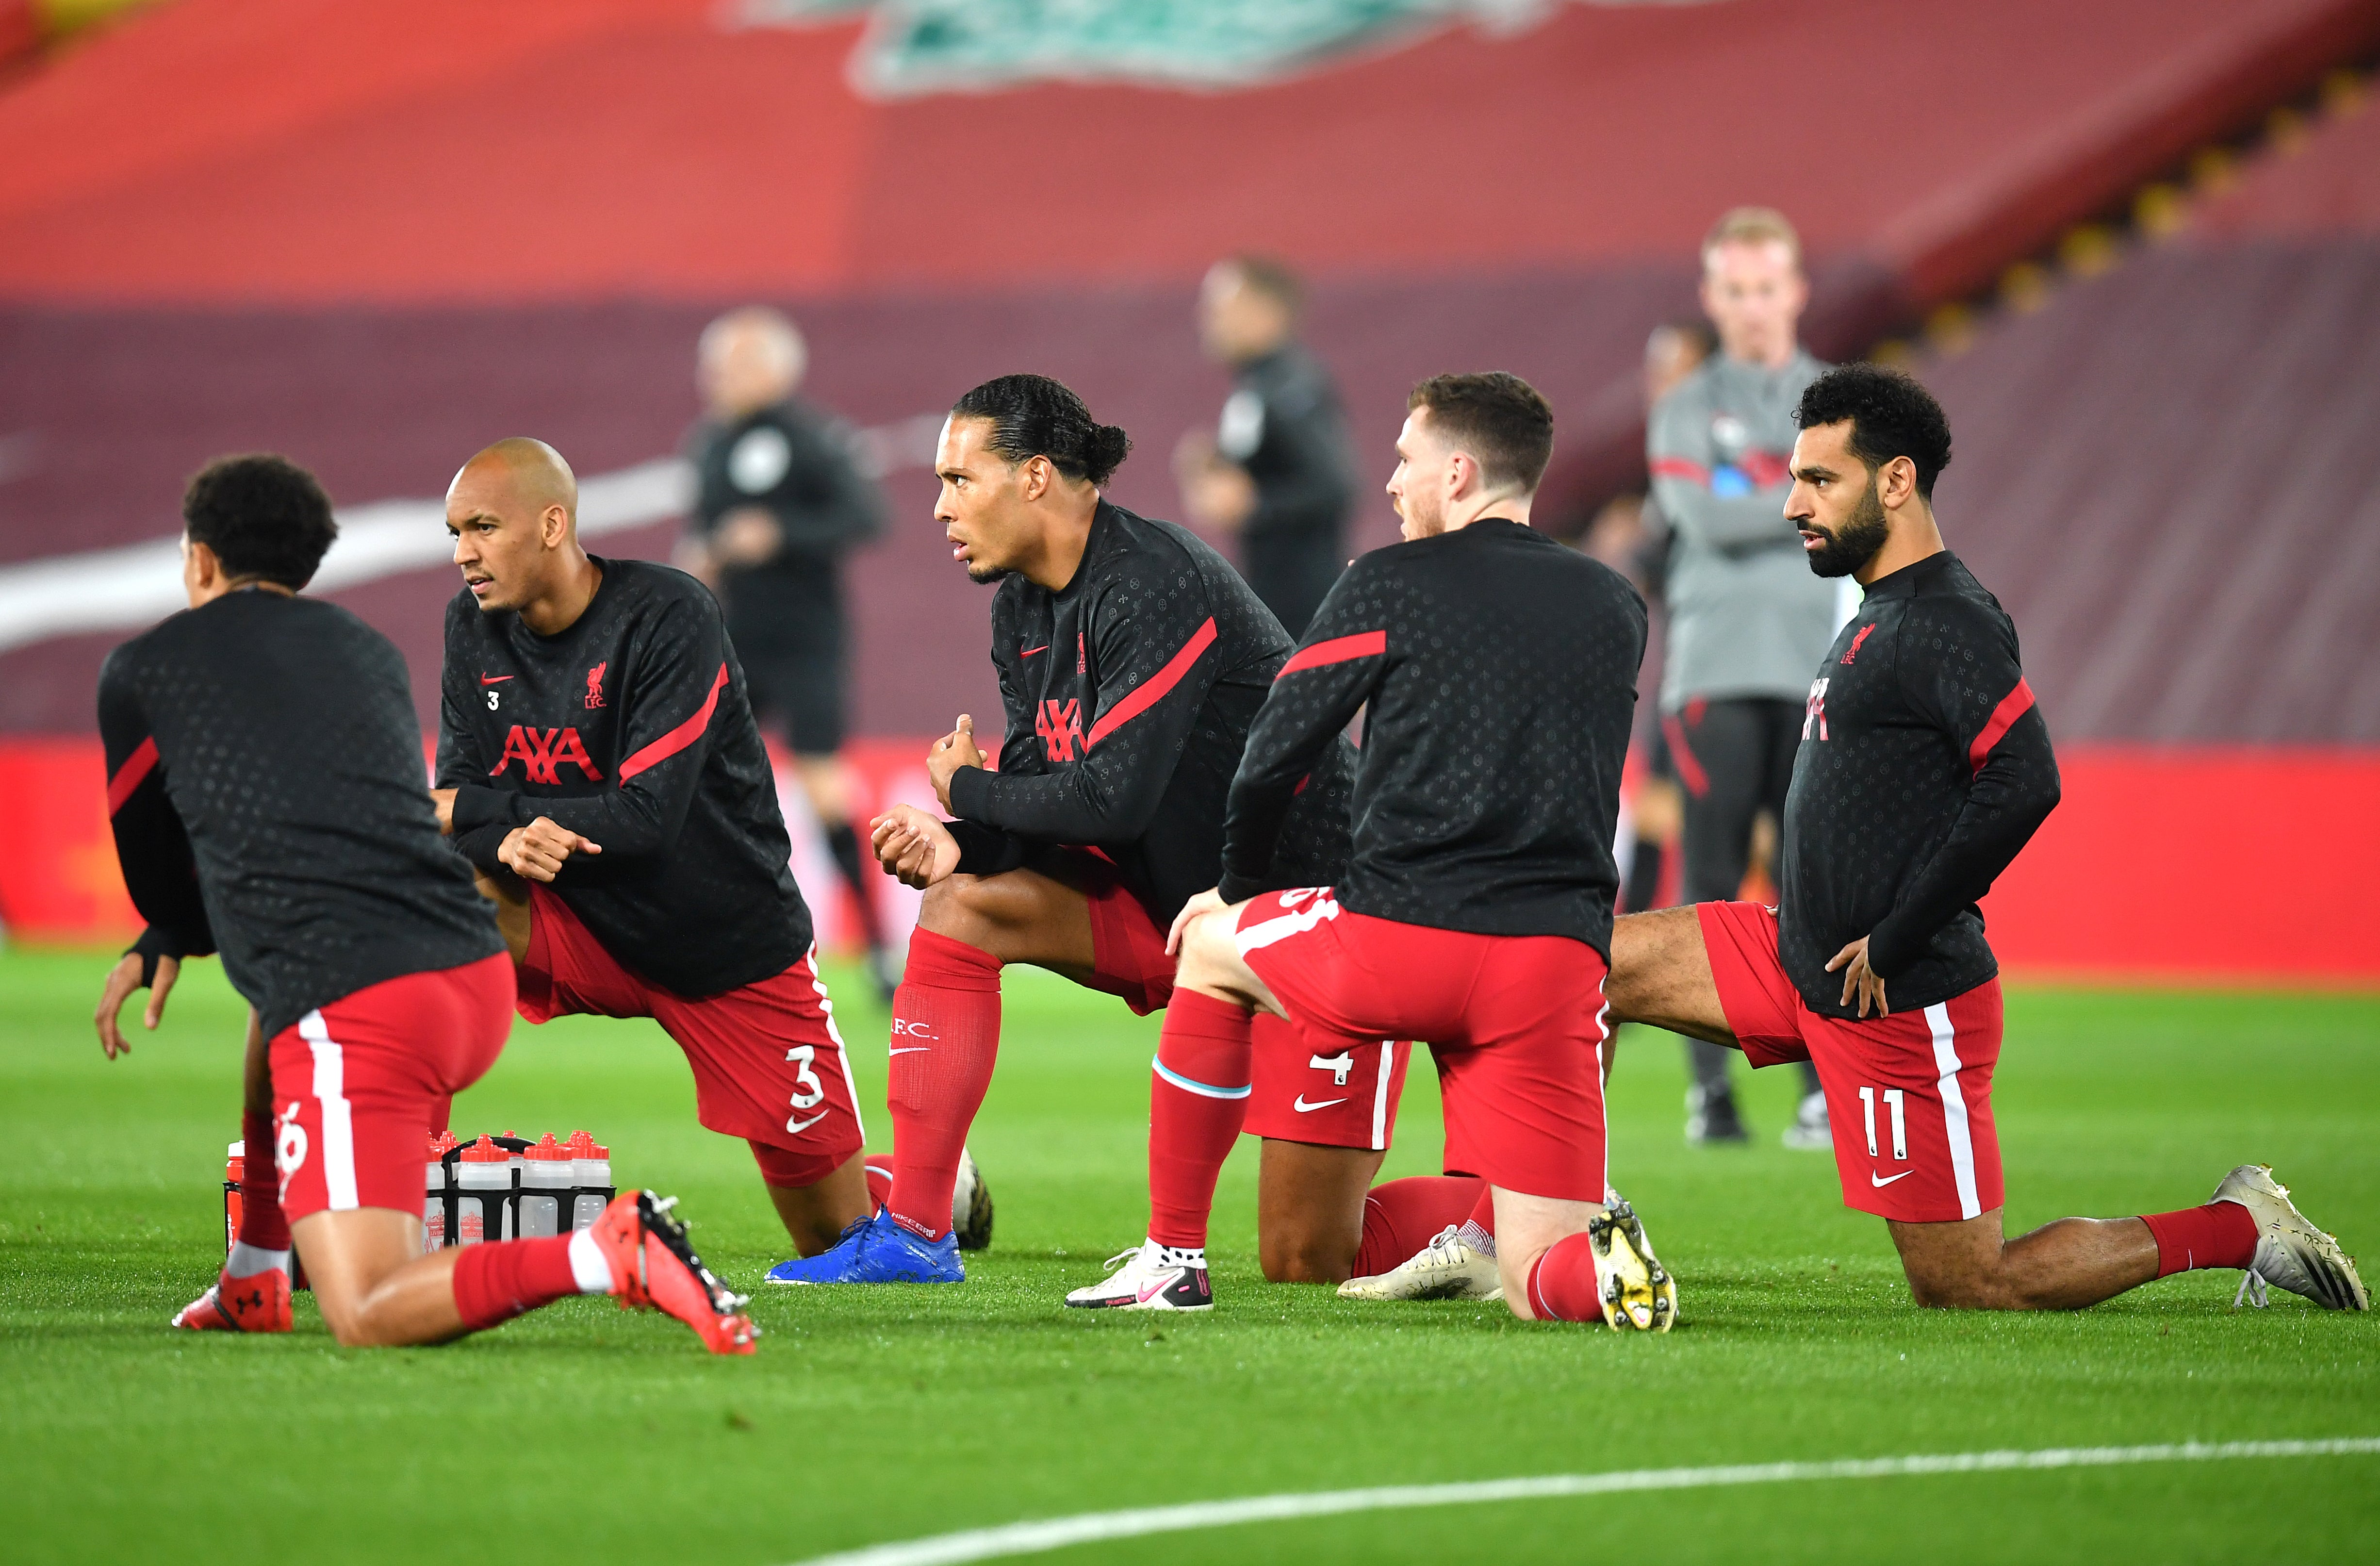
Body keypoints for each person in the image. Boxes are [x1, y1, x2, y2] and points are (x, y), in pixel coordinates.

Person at [1608, 365, 2365, 1314]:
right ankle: (1539, 1225)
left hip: (1892, 995)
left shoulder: (1946, 620)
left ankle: (2237, 1224)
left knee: (1968, 1282)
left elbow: (2026, 777)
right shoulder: (1876, 610)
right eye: (1794, 476)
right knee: (1576, 964)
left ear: (1895, 481)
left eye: (1819, 480)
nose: (1792, 501)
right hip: (1789, 951)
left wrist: (1895, 934)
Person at [92, 453, 754, 1352]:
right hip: (474, 973)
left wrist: (170, 928)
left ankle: (604, 1252)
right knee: (276, 1007)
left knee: (366, 1306)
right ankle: (253, 1275)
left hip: (365, 1006)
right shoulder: (360, 649)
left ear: (199, 559)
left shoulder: (145, 668)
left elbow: (162, 885)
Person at [1069, 371, 1676, 1330]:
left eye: (1404, 460)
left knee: (1210, 948)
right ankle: (1597, 1272)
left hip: (1403, 935)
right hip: (1555, 964)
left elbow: (1273, 752)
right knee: (1532, 1278)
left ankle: (1171, 1257)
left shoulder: (1389, 580)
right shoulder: (1613, 602)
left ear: (1459, 469)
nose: (1391, 483)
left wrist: (1235, 888)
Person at [780, 374, 1388, 1293]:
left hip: (1308, 938)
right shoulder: (1022, 608)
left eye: (959, 479)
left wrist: (970, 792)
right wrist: (966, 841)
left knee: (1306, 1258)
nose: (941, 507)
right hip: (1176, 921)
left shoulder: (1154, 581)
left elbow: (1111, 802)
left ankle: (1512, 1212)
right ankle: (914, 1228)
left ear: (1034, 479)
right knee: (961, 902)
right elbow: (1046, 778)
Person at [433, 437, 885, 1264]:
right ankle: (398, 1189)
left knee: (840, 1240)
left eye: (484, 527)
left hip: (724, 946)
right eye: (455, 531)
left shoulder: (669, 614)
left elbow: (645, 821)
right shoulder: (473, 623)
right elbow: (454, 807)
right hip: (583, 923)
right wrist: (497, 824)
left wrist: (489, 813)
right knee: (432, 890)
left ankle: (927, 1188)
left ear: (551, 524)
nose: (464, 553)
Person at [1647, 207, 1837, 1149]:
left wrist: (1747, 486)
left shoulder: (1841, 401)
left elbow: (1853, 519)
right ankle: (1708, 1093)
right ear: (1711, 297)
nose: (1754, 306)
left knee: (1815, 881)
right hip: (1713, 670)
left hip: (1818, 669)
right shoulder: (1683, 405)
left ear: (1795, 290)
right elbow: (1703, 518)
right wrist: (1806, 490)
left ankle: (1815, 1090)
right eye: (1736, 288)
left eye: (1768, 286)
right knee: (1713, 881)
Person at [676, 308, 898, 996]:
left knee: (824, 781)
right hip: (733, 637)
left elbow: (867, 516)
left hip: (806, 638)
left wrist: (781, 533)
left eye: (732, 364)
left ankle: (876, 947)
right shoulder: (709, 444)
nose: (715, 378)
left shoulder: (813, 437)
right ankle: (705, 937)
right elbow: (705, 528)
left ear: (776, 368)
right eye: (713, 365)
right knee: (693, 779)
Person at [1173, 256, 1357, 637]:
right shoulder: (1256, 386)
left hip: (1305, 608)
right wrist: (1211, 465)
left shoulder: (1291, 387)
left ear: (1266, 313)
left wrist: (1254, 506)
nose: (1207, 317)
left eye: (1222, 306)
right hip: (1276, 598)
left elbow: (1336, 486)